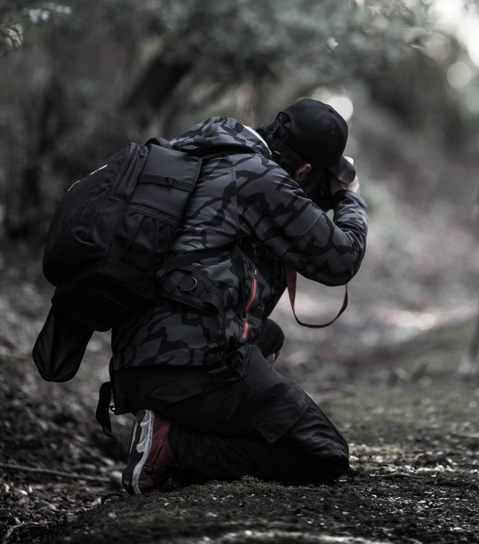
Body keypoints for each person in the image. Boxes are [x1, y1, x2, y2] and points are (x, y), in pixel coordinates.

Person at [112, 98, 368, 494]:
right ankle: (175, 448)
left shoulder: (203, 151)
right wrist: (349, 197)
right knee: (324, 454)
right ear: (303, 171)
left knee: (268, 336)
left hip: (137, 358)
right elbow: (341, 258)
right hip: (191, 366)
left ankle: (175, 424)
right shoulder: (260, 178)